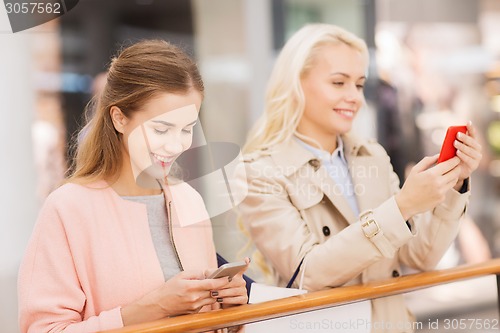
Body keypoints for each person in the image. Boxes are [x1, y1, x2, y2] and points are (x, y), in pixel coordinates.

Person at [238, 24, 482, 333]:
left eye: (359, 84)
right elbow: (307, 273)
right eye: (339, 82)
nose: (354, 97)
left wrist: (453, 185)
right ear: (295, 84)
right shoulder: (259, 171)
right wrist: (402, 206)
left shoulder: (373, 157)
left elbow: (422, 256)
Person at [18, 39, 249, 333]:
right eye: (161, 128)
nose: (176, 144)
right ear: (119, 118)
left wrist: (230, 311)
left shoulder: (188, 199)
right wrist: (153, 308)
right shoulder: (68, 208)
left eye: (187, 129)